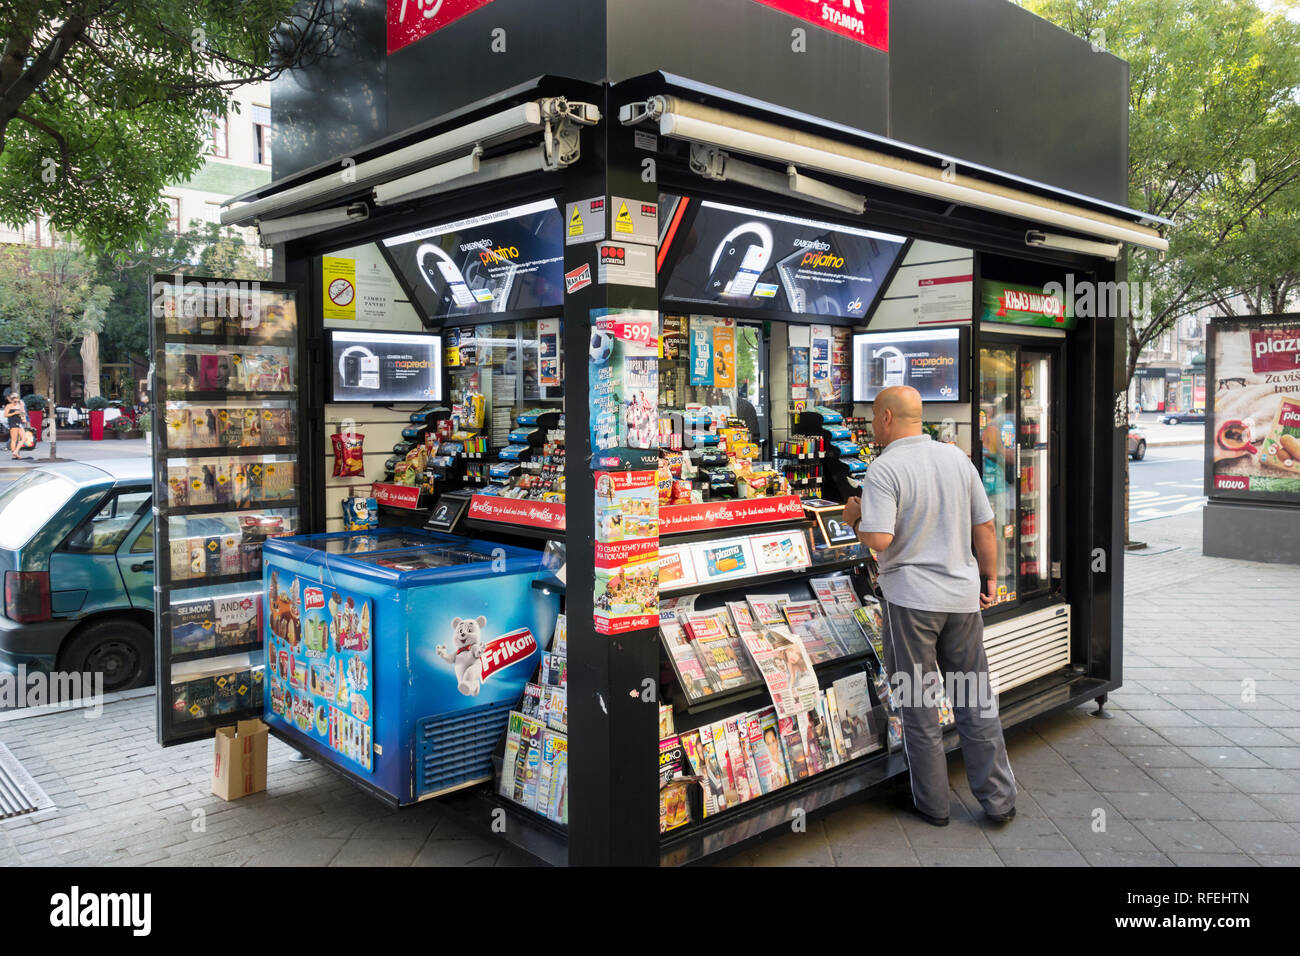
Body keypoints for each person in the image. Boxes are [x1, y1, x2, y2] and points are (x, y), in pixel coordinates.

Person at [842, 385, 1016, 827]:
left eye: (873, 419)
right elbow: (986, 528)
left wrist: (854, 518)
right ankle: (999, 800)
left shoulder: (884, 469)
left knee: (918, 704)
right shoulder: (956, 458)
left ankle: (933, 806)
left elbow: (879, 540)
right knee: (974, 698)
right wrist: (989, 578)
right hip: (961, 600)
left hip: (911, 603)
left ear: (885, 418)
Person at [4, 391, 28, 459]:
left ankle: (16, 451)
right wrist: (14, 413)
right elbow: (5, 415)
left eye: (16, 401)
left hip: (19, 422)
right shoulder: (8, 406)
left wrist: (23, 418)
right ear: (11, 400)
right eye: (14, 401)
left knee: (24, 438)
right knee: (14, 439)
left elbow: (22, 413)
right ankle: (14, 454)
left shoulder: (20, 405)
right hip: (13, 422)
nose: (15, 403)